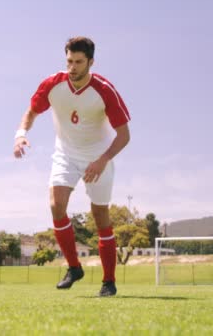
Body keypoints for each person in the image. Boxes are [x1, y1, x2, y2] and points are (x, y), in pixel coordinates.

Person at [13, 36, 131, 297]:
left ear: (91, 62)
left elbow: (124, 135)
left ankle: (108, 281)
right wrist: (20, 133)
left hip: (98, 157)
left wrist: (102, 160)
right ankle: (74, 268)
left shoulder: (104, 90)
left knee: (100, 216)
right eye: (69, 61)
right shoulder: (53, 84)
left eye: (79, 62)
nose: (73, 67)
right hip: (65, 154)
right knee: (56, 204)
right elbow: (31, 112)